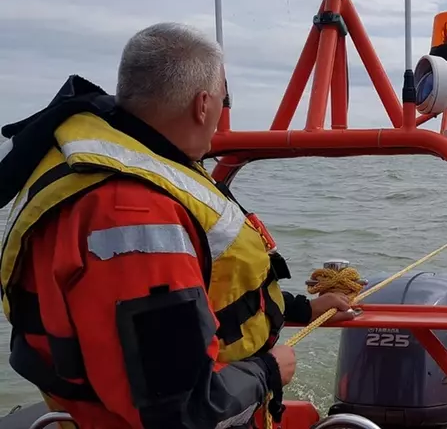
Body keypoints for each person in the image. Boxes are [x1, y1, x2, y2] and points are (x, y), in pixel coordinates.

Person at [0, 22, 355, 428]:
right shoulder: (134, 212)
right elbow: (178, 409)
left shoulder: (93, 168)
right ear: (202, 104)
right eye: (224, 100)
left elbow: (200, 298)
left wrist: (303, 307)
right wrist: (269, 371)